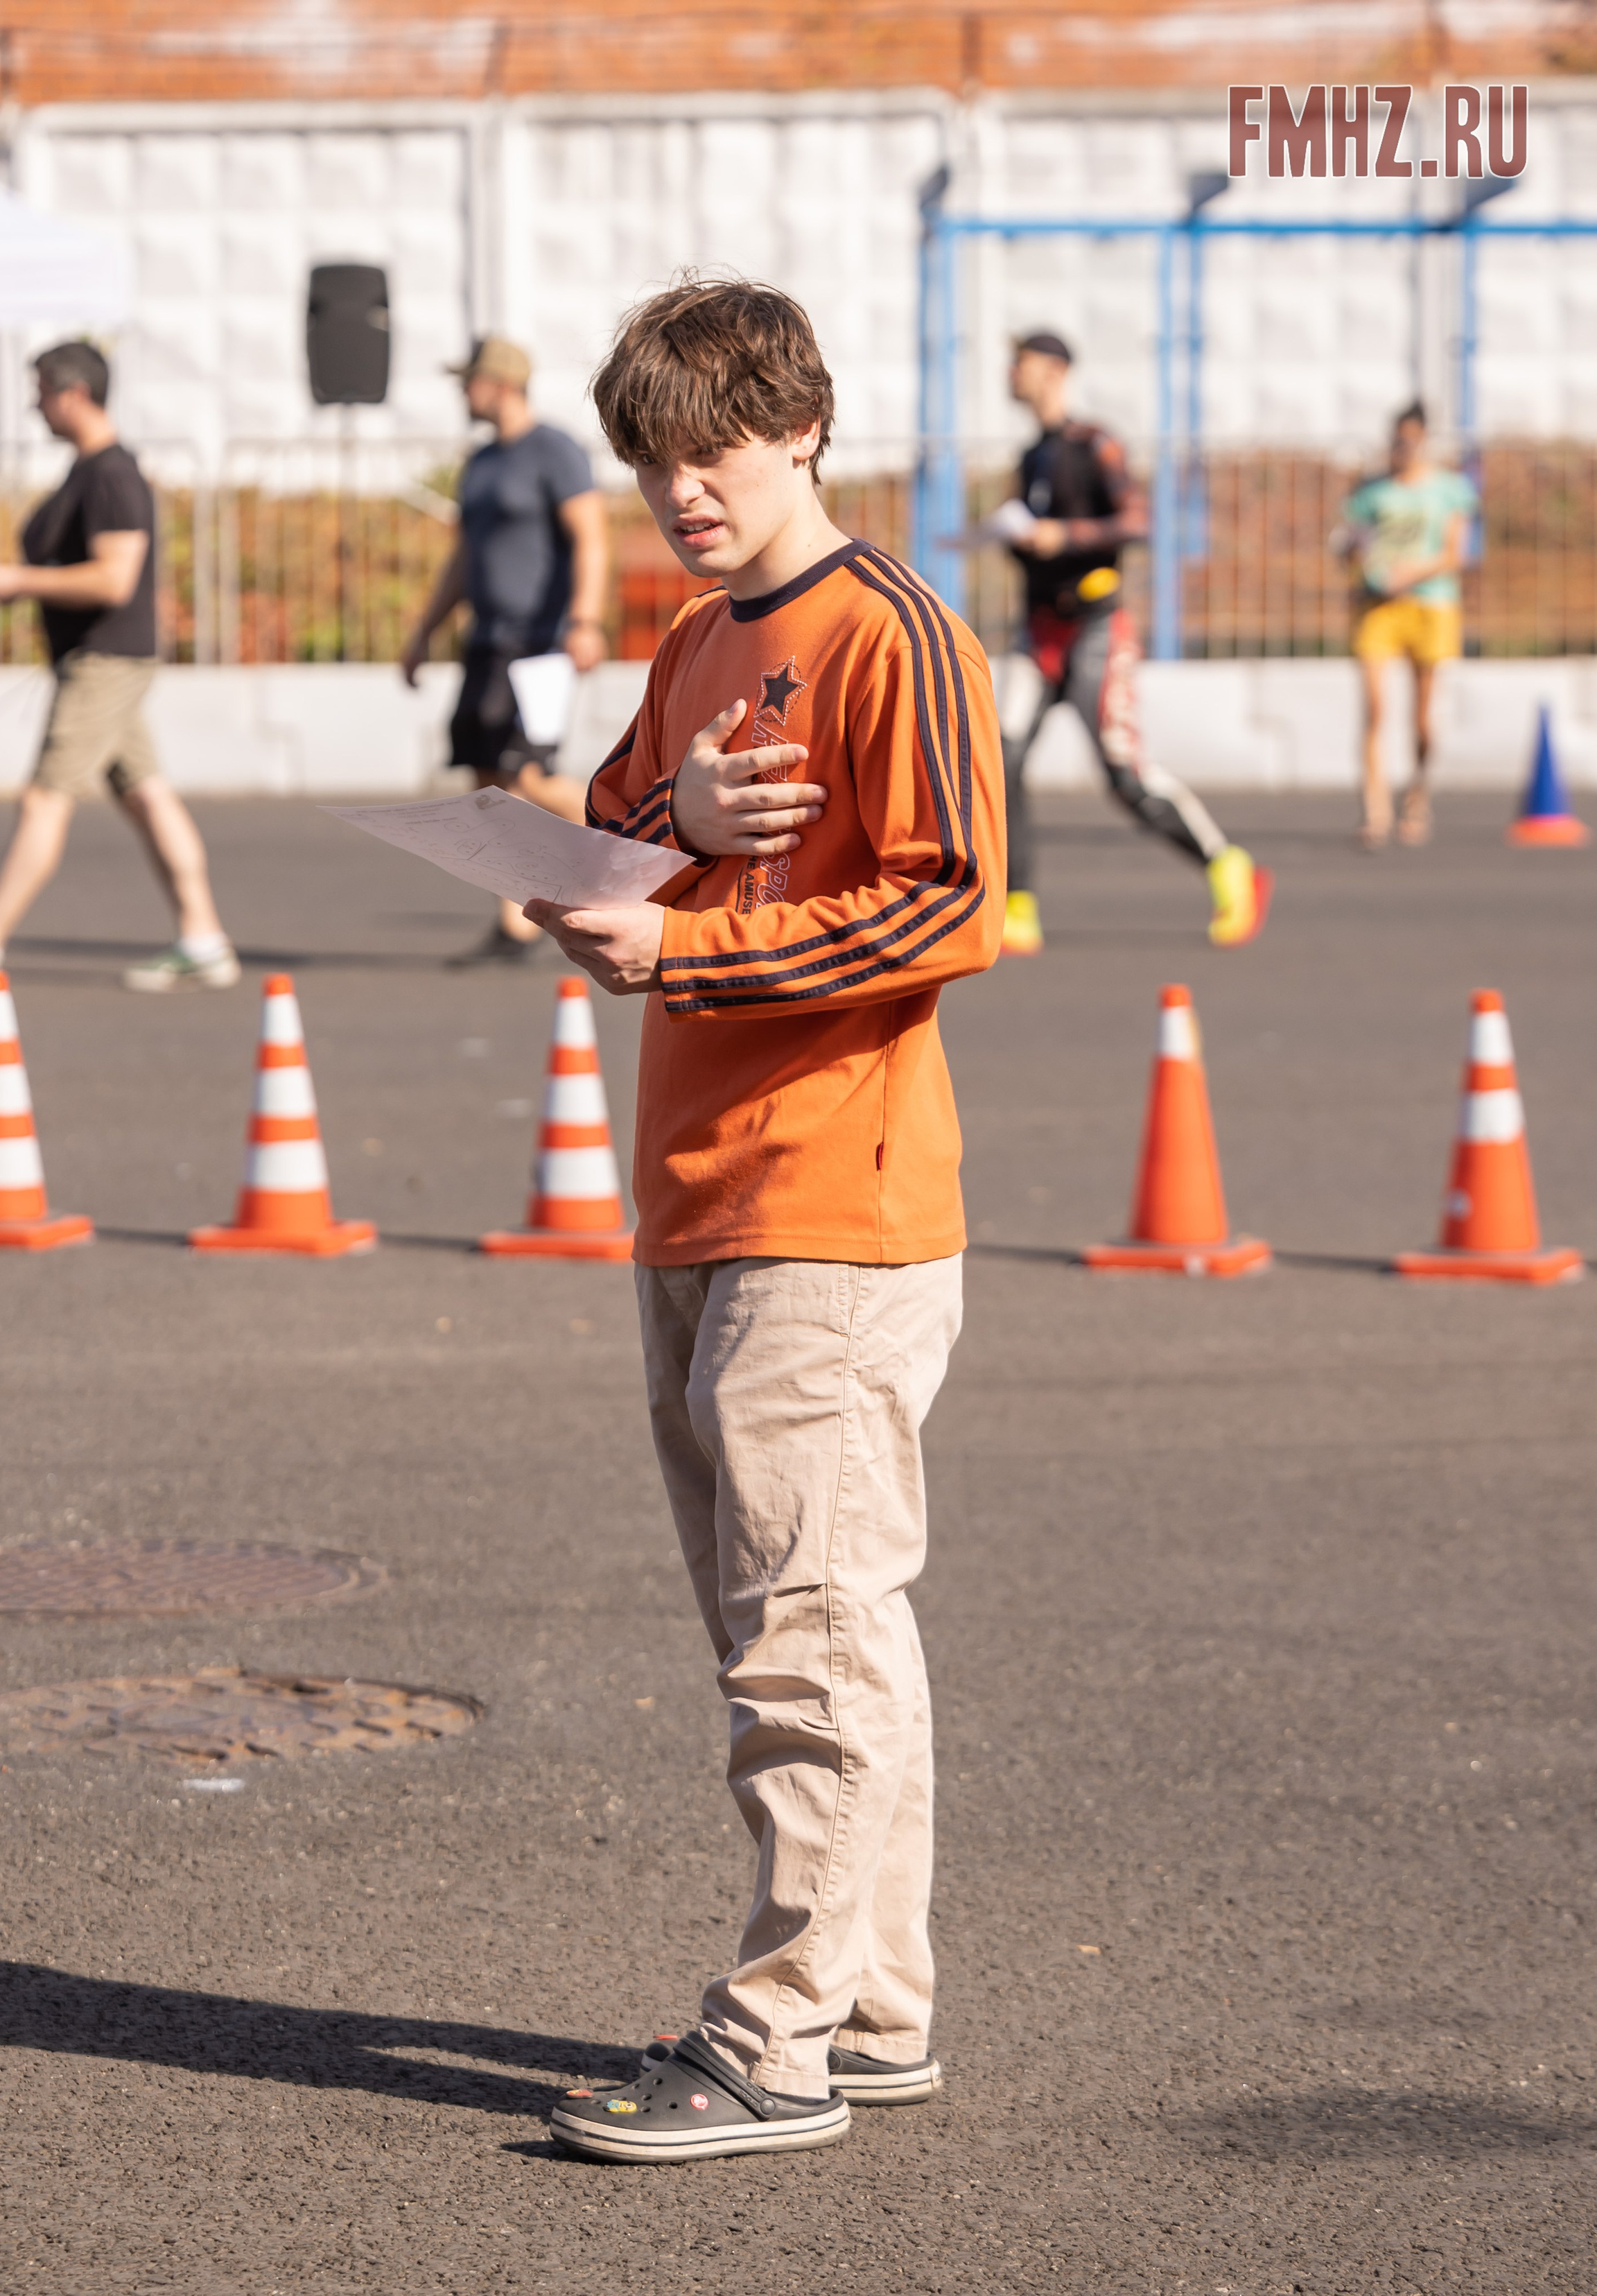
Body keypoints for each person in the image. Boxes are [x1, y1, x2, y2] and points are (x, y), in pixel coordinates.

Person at [523, 279, 1006, 2164]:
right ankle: (874, 2006)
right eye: (653, 461)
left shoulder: (892, 633)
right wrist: (676, 833)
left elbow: (951, 905)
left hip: (839, 1200)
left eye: (712, 452)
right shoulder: (695, 646)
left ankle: (778, 2035)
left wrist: (693, 946)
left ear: (802, 428)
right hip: (704, 1191)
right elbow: (612, 825)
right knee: (804, 1622)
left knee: (809, 1629)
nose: (682, 493)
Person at [0, 341, 236, 995]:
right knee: (146, 796)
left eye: (41, 392)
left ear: (73, 393)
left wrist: (18, 579)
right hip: (104, 659)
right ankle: (205, 939)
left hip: (105, 660)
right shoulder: (91, 470)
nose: (34, 406)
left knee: (45, 795)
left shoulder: (111, 475)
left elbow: (115, 579)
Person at [984, 330, 1268, 955]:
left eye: (1021, 362)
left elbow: (1136, 520)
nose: (1011, 372)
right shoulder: (1032, 455)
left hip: (1094, 629)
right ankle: (1017, 904)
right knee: (999, 763)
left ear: (1055, 371)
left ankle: (1227, 865)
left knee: (1124, 775)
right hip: (1039, 632)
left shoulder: (1096, 443)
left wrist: (1061, 536)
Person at [400, 334, 611, 963]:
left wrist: (585, 620)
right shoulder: (482, 463)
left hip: (541, 643)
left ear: (498, 383)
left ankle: (636, 846)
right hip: (487, 641)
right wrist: (424, 631)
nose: (462, 392)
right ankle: (515, 926)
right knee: (488, 783)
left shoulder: (554, 451)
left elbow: (591, 538)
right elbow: (464, 558)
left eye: (468, 381)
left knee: (531, 774)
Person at [1342, 401, 1475, 849]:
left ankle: (1417, 794)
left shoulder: (1450, 489)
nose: (1404, 449)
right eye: (1398, 441)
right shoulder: (1371, 491)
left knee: (1421, 719)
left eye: (1412, 441)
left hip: (1430, 605)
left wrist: (1407, 575)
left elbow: (1456, 554)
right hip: (1378, 607)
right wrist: (1359, 566)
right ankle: (1375, 811)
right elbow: (1354, 544)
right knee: (1375, 708)